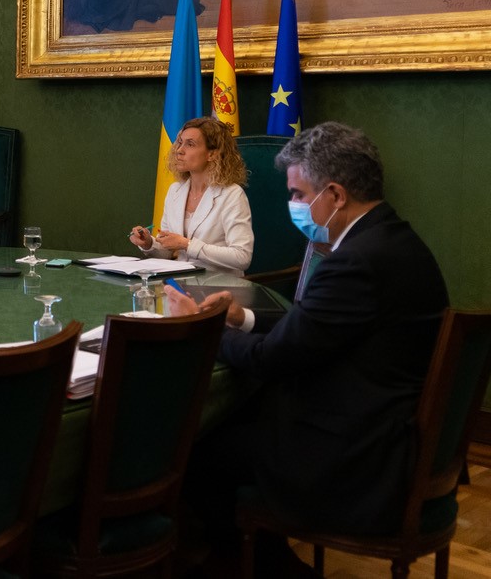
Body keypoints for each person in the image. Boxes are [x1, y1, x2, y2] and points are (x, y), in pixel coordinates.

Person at [165, 122, 448, 573]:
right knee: (238, 421)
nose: (294, 205)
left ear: (335, 195)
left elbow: (273, 359)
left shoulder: (354, 262)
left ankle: (255, 565)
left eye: (298, 194)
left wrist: (205, 326)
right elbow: (317, 327)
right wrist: (243, 317)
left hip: (354, 456)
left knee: (194, 449)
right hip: (385, 428)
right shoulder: (394, 240)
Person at [129, 116, 253, 274]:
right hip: (180, 287)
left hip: (219, 289)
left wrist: (186, 244)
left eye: (190, 144)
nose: (179, 150)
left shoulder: (232, 194)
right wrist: (148, 243)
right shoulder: (175, 190)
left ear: (212, 154)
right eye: (180, 142)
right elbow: (167, 252)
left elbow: (242, 257)